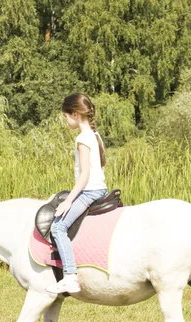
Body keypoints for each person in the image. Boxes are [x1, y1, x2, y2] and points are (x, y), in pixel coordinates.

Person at [46, 93, 108, 295]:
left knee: (58, 227)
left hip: (89, 191)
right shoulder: (95, 135)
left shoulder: (82, 139)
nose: (66, 121)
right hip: (100, 188)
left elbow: (84, 175)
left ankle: (70, 276)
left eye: (66, 117)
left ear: (75, 114)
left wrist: (68, 201)